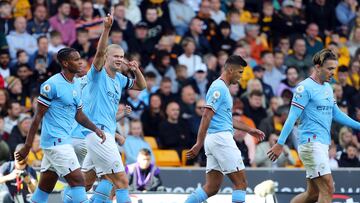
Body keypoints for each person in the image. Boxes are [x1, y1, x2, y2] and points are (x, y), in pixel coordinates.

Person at [267, 49, 360, 203]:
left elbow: (336, 114)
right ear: (318, 67)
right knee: (328, 188)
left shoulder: (328, 88)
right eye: (330, 69)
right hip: (310, 144)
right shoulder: (304, 88)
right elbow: (292, 117)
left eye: (334, 69)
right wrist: (279, 143)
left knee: (313, 194)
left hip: (322, 144)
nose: (333, 73)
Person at [15, 47, 106, 203]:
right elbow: (37, 118)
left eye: (80, 59)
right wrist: (27, 146)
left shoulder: (76, 84)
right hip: (55, 142)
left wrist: (95, 129)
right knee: (78, 181)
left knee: (44, 189)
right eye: (76, 60)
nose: (80, 62)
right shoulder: (51, 85)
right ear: (65, 63)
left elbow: (79, 115)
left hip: (64, 141)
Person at [76, 10, 147, 203]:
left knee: (87, 182)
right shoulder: (97, 73)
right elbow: (98, 52)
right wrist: (106, 28)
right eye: (115, 55)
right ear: (107, 57)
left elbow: (141, 86)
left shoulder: (121, 79)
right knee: (121, 181)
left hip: (103, 134)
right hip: (98, 135)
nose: (118, 59)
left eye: (121, 56)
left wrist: (136, 70)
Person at [185, 55, 265, 203]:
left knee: (212, 187)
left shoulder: (222, 88)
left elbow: (226, 119)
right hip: (221, 139)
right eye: (240, 72)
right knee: (241, 183)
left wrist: (250, 130)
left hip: (215, 139)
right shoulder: (219, 88)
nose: (242, 76)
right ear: (230, 70)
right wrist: (198, 143)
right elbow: (206, 116)